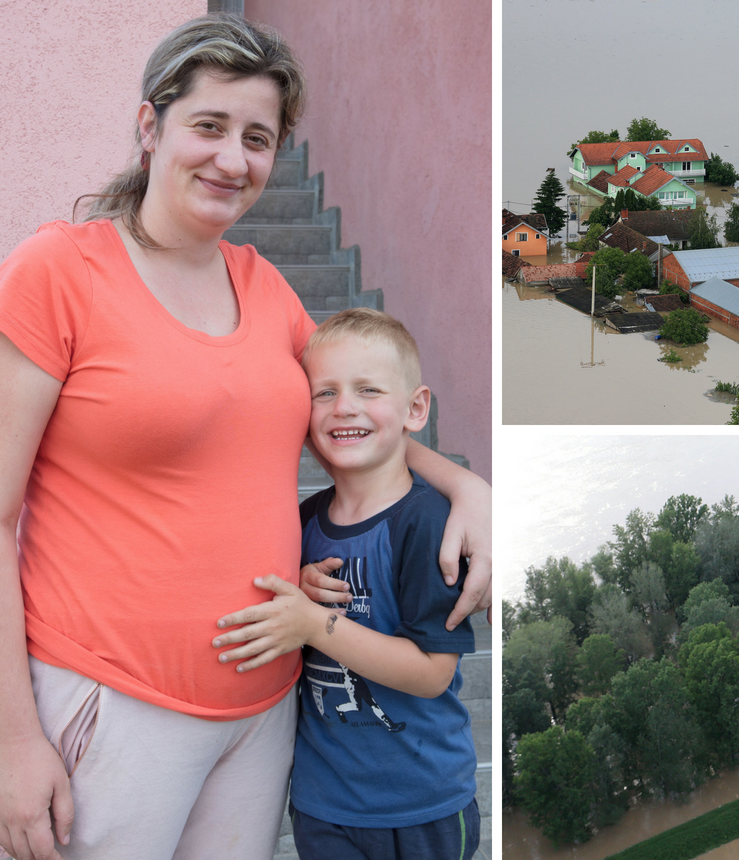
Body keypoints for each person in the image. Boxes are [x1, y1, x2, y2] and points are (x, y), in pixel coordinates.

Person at [0, 15, 490, 860]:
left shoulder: (265, 287)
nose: (234, 159)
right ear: (151, 127)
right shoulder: (60, 272)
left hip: (263, 718)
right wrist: (12, 741)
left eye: (258, 138)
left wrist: (465, 487)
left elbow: (355, 421)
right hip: (115, 703)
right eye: (210, 126)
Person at [212, 308, 480, 860]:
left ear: (415, 408)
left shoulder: (427, 523)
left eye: (368, 389)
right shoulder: (302, 523)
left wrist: (315, 623)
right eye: (324, 393)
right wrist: (299, 590)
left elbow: (432, 674)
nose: (345, 408)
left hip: (422, 801)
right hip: (325, 802)